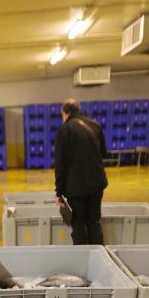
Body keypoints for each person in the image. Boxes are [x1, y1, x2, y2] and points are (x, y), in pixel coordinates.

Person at [54, 98, 108, 244]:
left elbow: (60, 164)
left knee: (78, 224)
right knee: (94, 222)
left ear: (65, 113)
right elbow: (103, 153)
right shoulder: (95, 126)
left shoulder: (65, 129)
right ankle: (98, 259)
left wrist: (59, 192)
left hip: (76, 187)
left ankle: (83, 260)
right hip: (97, 184)